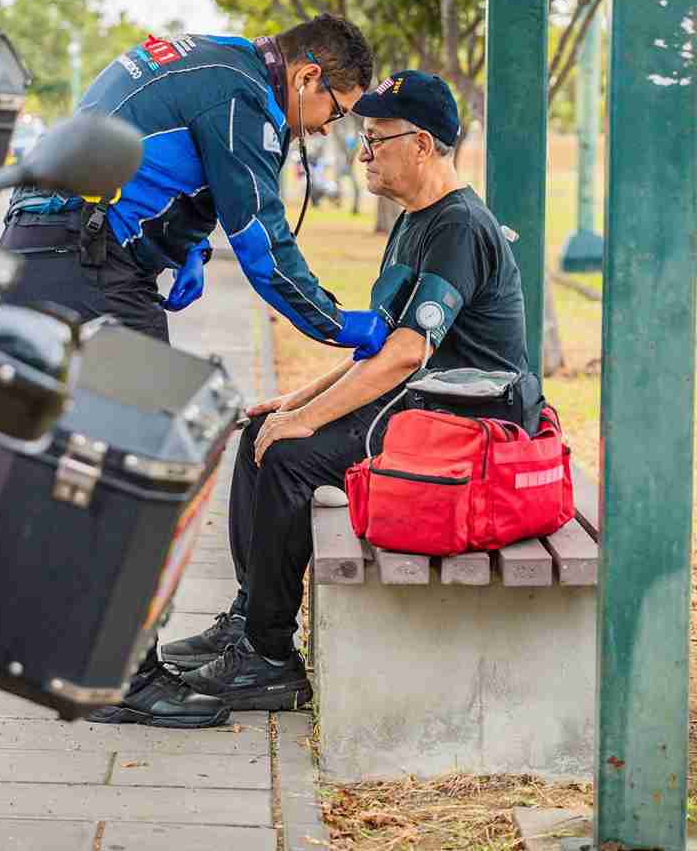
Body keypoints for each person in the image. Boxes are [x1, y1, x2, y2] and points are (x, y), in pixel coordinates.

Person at [0, 15, 390, 729]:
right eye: (336, 109)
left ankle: (103, 657)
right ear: (307, 77)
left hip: (65, 253)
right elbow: (263, 242)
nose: (329, 128)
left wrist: (181, 250)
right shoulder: (238, 97)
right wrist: (340, 325)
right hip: (80, 263)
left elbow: (157, 156)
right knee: (141, 464)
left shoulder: (220, 63)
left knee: (115, 458)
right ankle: (120, 677)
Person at [161, 71, 530, 710]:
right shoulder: (417, 221)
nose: (363, 152)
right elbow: (383, 345)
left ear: (421, 144)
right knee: (263, 432)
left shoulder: (459, 226)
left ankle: (270, 659)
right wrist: (299, 403)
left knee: (287, 458)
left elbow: (410, 353)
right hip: (422, 409)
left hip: (470, 429)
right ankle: (250, 622)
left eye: (376, 138)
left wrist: (307, 423)